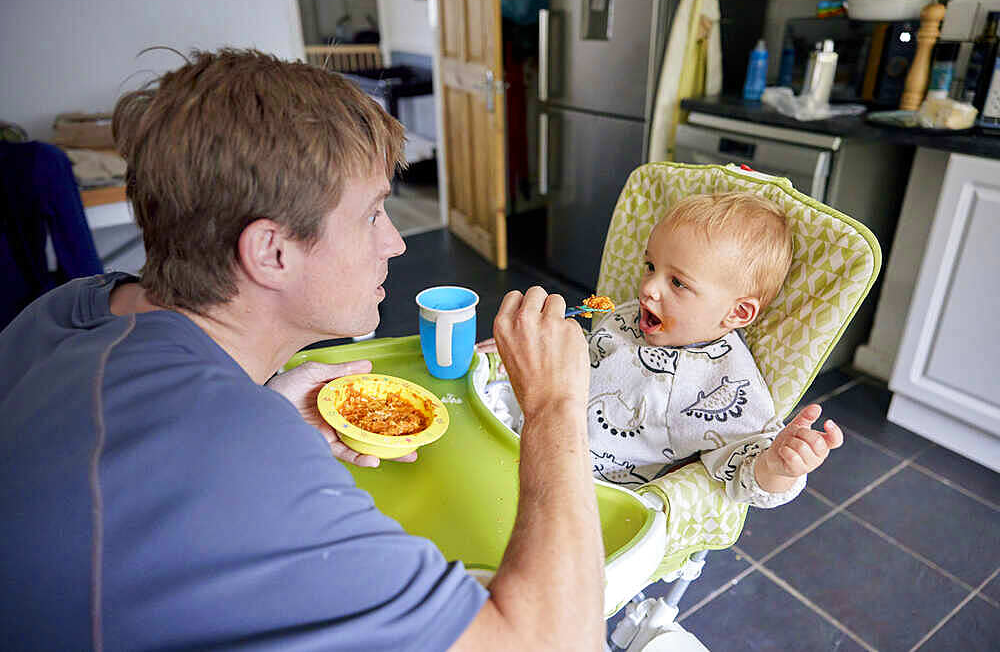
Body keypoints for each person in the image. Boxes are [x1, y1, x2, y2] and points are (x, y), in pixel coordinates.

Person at [0, 49, 604, 651]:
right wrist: (553, 402)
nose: (395, 243)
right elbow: (552, 639)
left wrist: (263, 412)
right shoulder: (240, 460)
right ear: (271, 252)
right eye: (371, 215)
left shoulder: (70, 307)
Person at [480, 192, 844, 507]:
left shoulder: (722, 383)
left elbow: (746, 472)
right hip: (522, 429)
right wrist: (530, 346)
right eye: (650, 266)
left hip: (578, 491)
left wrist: (780, 465)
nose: (648, 289)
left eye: (678, 282)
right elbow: (589, 348)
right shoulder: (633, 315)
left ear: (737, 312)